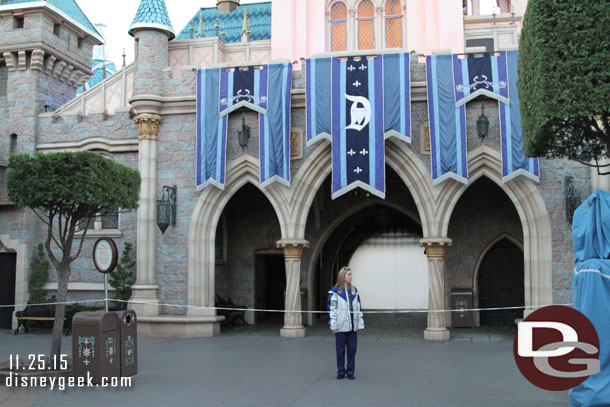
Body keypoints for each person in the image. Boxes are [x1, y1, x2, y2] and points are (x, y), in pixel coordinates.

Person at [327, 266, 364, 380]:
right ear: (343, 276)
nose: (351, 277)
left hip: (352, 326)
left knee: (352, 349)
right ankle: (341, 371)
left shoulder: (354, 291)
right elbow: (331, 309)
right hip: (341, 326)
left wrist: (360, 324)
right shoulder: (334, 292)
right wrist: (334, 325)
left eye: (351, 274)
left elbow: (358, 308)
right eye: (349, 274)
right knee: (340, 349)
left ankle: (351, 371)